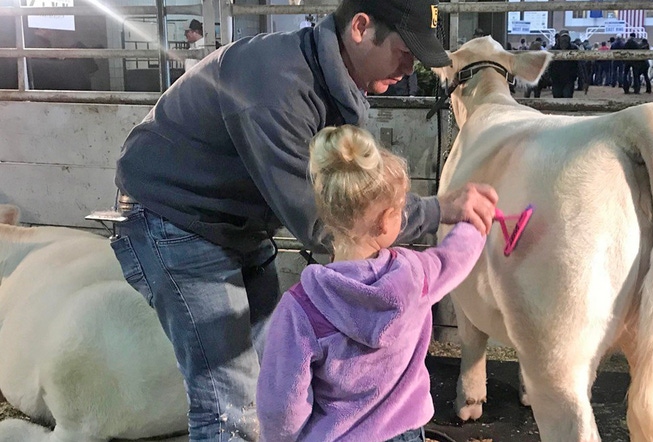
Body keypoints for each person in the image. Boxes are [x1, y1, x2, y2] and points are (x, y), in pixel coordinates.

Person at [110, 0, 499, 440]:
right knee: (229, 399)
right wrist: (438, 210)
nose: (408, 68)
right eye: (403, 50)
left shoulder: (337, 85)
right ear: (360, 27)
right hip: (174, 219)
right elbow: (326, 220)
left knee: (269, 374)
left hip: (240, 220)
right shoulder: (274, 87)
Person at [256, 125, 485, 441]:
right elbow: (455, 256)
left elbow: (281, 408)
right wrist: (476, 223)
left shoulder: (300, 309)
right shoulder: (417, 276)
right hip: (405, 433)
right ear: (384, 220)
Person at [548, 31, 579, 98]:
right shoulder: (553, 50)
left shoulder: (574, 49)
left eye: (566, 38)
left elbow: (580, 65)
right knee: (557, 98)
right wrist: (549, 77)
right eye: (563, 38)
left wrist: (583, 79)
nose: (564, 40)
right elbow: (549, 65)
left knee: (567, 97)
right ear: (559, 39)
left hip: (569, 78)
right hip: (556, 78)